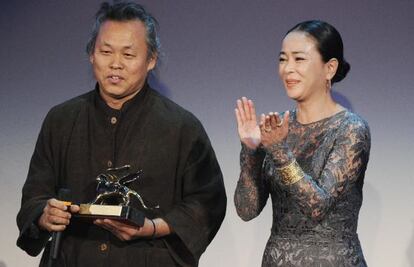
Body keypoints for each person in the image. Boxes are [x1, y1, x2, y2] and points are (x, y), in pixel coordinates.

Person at [16, 2, 226, 266]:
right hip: (74, 257)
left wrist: (152, 227)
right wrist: (44, 215)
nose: (115, 64)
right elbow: (34, 196)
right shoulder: (61, 119)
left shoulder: (182, 126)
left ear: (151, 60)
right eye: (105, 51)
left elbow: (208, 202)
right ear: (91, 54)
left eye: (128, 55)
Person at [234, 20, 370, 266]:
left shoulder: (351, 129)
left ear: (329, 68)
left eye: (299, 59)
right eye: (283, 59)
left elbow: (317, 207)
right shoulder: (279, 128)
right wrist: (251, 150)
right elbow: (246, 210)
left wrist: (278, 150)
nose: (287, 69)